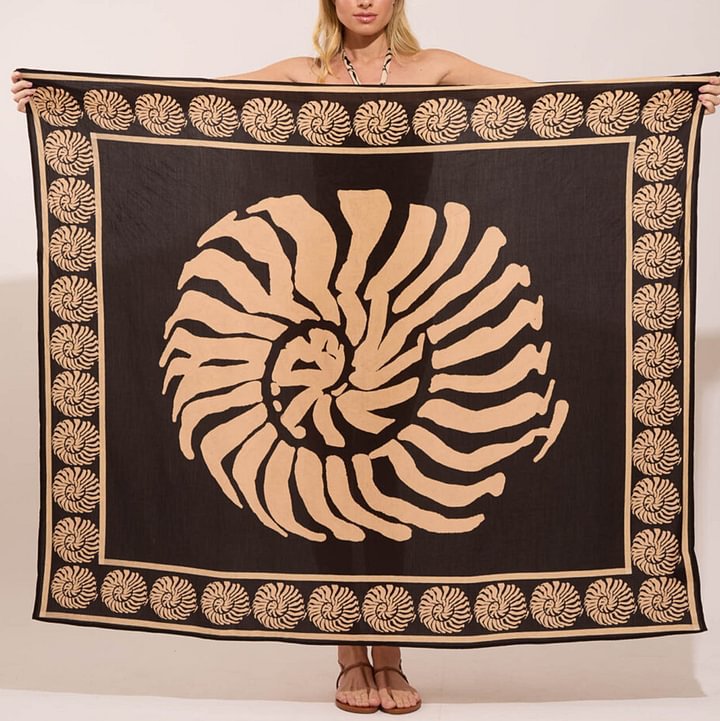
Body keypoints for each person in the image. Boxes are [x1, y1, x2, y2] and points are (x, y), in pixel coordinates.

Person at [9, 0, 720, 715]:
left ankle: (392, 651)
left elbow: (556, 103)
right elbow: (180, 105)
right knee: (326, 482)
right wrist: (66, 101)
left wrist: (672, 102)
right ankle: (350, 652)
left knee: (394, 486)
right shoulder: (304, 74)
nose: (365, 0)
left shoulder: (433, 69)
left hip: (410, 293)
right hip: (317, 291)